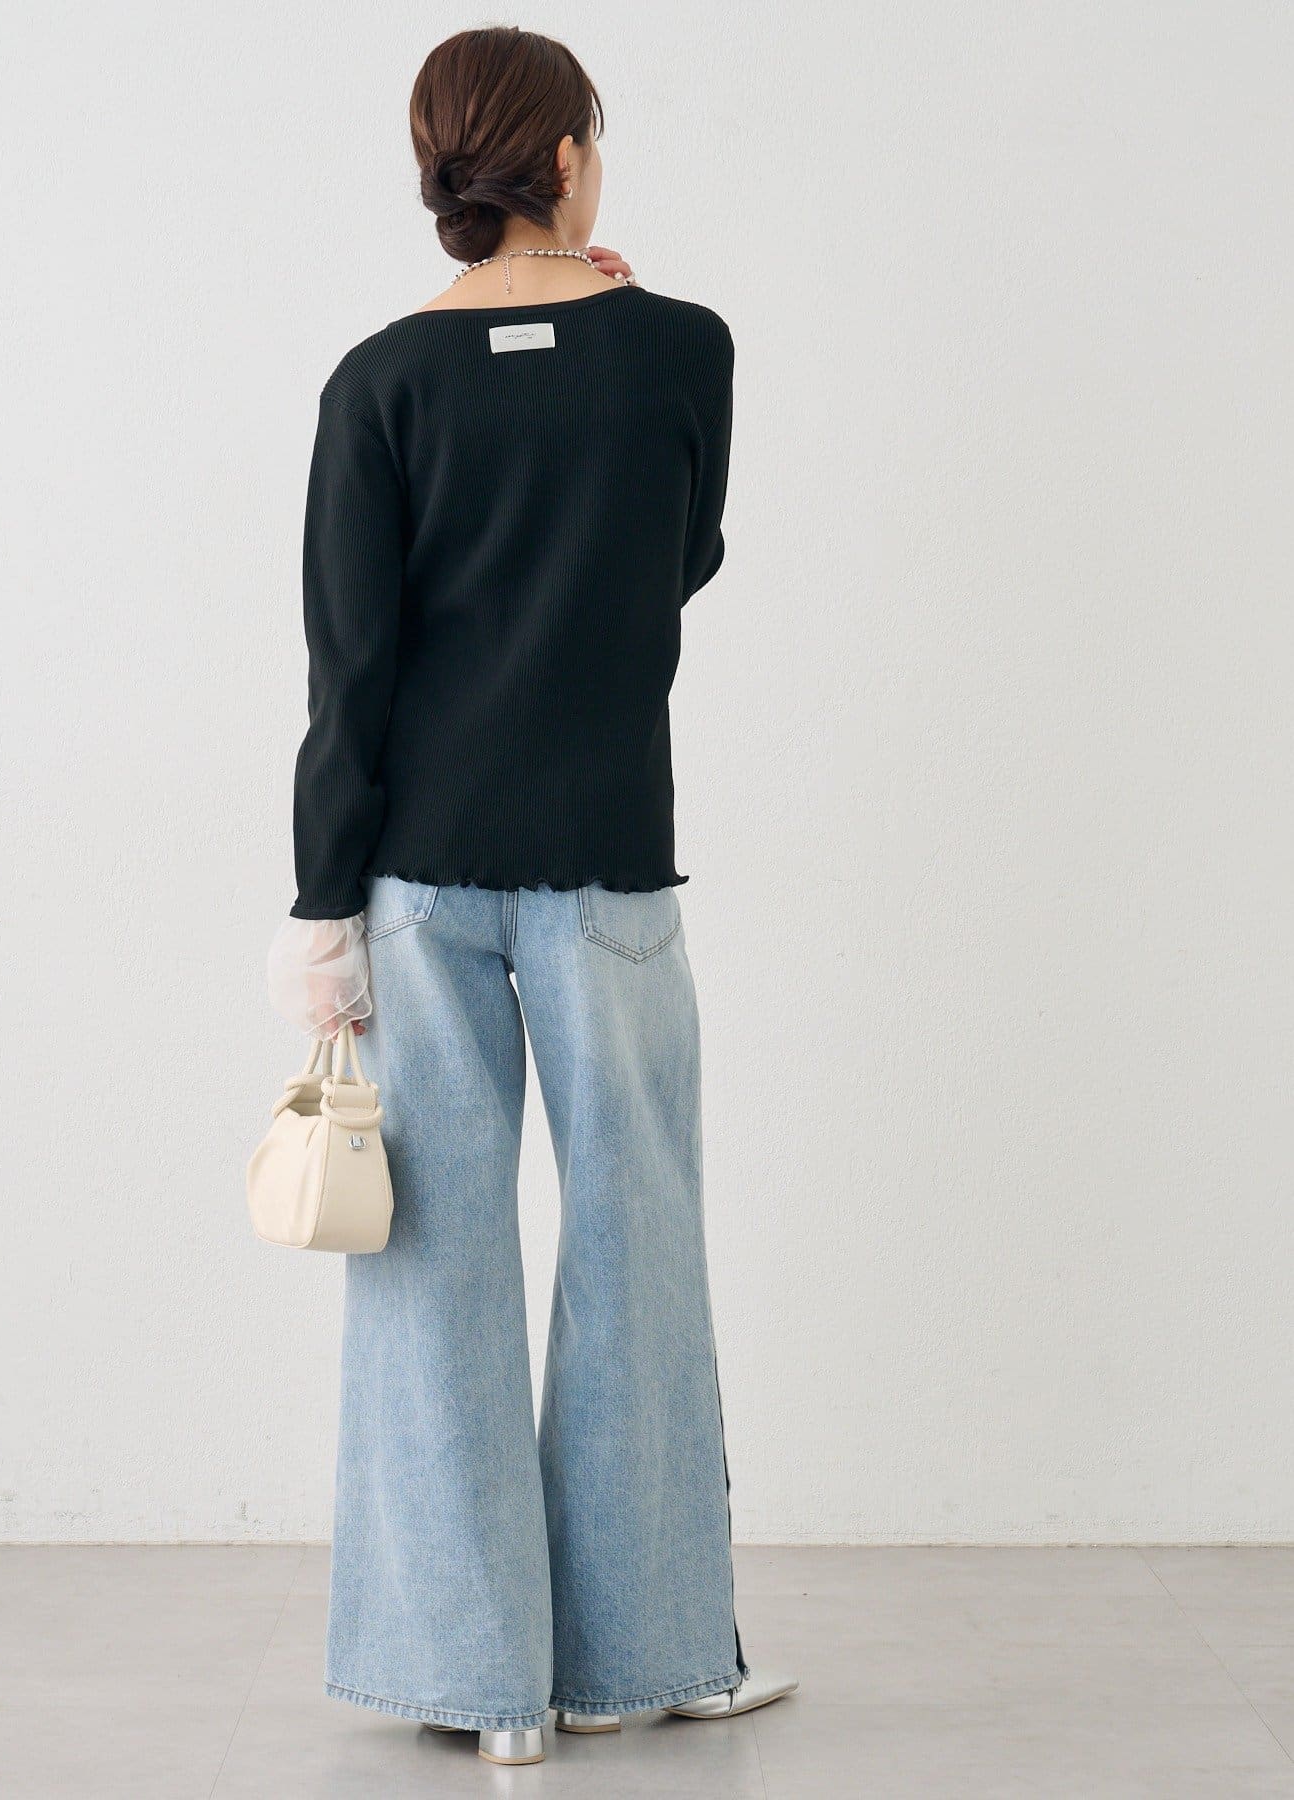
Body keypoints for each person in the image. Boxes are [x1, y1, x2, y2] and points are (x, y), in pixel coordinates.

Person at [268, 25, 794, 1768]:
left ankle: (481, 1693)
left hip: (419, 878)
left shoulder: (378, 384)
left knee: (432, 1269)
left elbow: (350, 672)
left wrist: (320, 911)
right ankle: (658, 1657)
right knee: (642, 1248)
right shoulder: (682, 349)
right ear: (567, 159)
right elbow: (681, 560)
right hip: (612, 859)